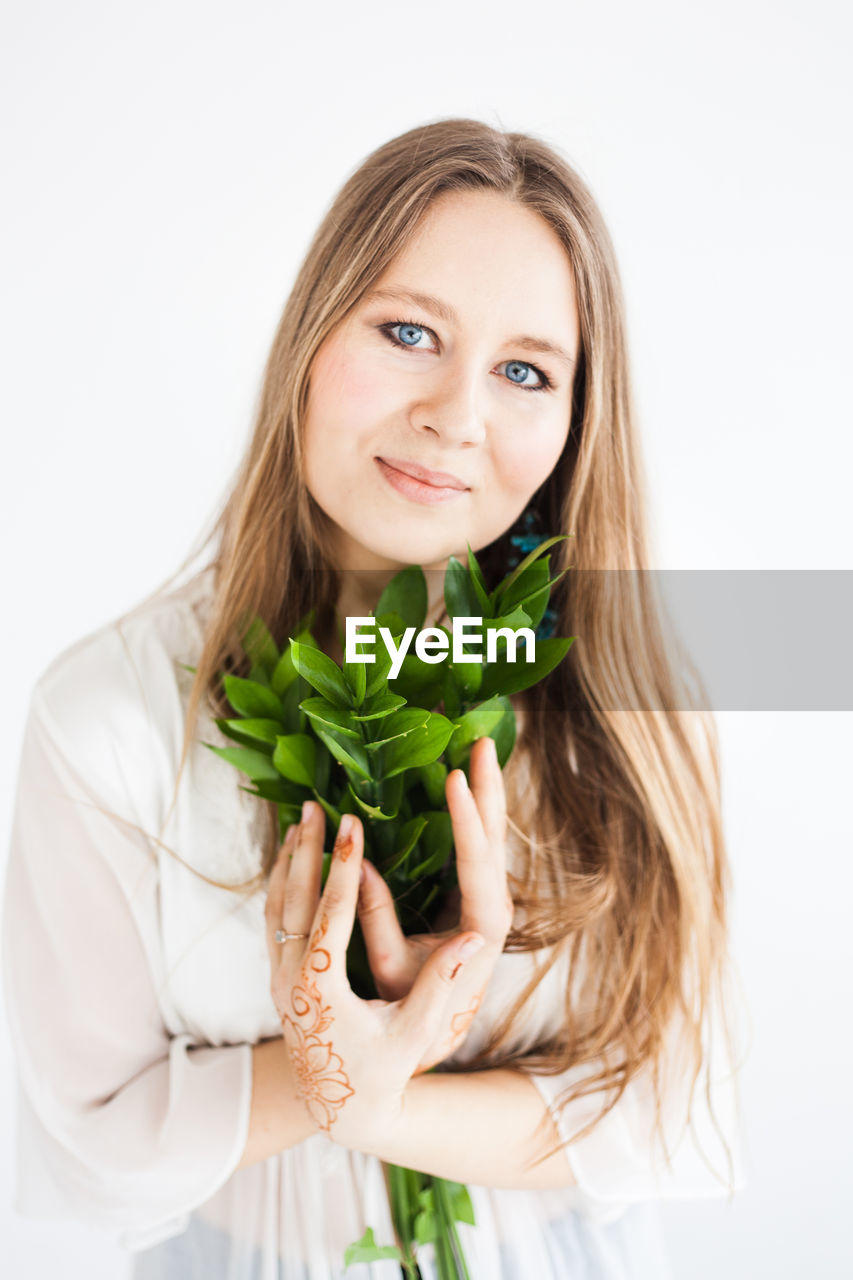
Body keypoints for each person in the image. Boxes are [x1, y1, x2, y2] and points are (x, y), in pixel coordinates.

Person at [2, 117, 746, 1279]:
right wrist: (351, 1063)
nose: (457, 414)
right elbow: (90, 1144)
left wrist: (366, 1087)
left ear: (572, 419)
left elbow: (673, 1100)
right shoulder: (106, 716)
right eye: (408, 332)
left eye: (523, 370)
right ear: (311, 336)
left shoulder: (632, 694)